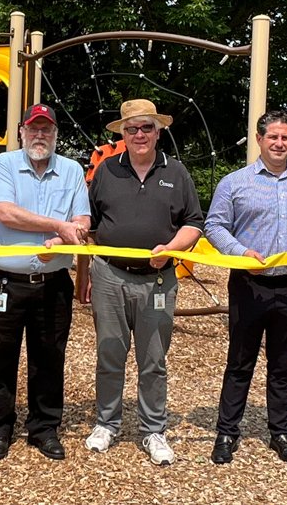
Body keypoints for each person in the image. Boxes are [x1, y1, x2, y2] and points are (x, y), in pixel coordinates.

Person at [204, 110, 287, 465]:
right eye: (272, 137)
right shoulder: (234, 183)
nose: (279, 143)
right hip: (249, 284)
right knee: (239, 363)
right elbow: (214, 226)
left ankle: (280, 432)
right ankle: (227, 432)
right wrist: (240, 252)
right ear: (260, 140)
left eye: (285, 138)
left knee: (282, 365)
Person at [85, 99, 204, 466]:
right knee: (109, 354)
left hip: (157, 281)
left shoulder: (177, 172)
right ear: (122, 133)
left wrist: (171, 249)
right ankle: (107, 422)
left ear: (159, 131)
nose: (139, 135)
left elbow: (195, 224)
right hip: (109, 275)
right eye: (132, 128)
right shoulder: (105, 171)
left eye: (147, 128)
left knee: (153, 359)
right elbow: (87, 222)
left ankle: (154, 429)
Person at [0, 104, 90, 461]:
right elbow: (4, 213)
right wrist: (58, 227)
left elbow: (82, 219)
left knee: (49, 358)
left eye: (46, 129)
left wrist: (71, 234)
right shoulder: (5, 164)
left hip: (53, 282)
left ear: (56, 134)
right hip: (5, 283)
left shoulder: (72, 171)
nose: (39, 135)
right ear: (21, 132)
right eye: (33, 128)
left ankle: (44, 428)